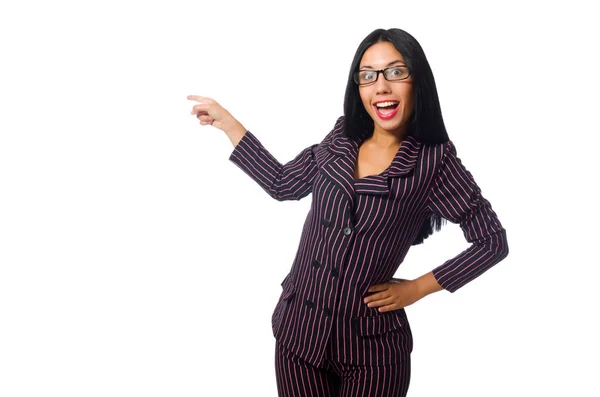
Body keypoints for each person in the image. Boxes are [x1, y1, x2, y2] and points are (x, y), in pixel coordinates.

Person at [187, 28, 508, 397]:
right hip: (299, 334)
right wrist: (228, 123)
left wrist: (418, 288)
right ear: (358, 87)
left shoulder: (435, 162)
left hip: (372, 352)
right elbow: (283, 184)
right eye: (368, 75)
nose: (381, 86)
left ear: (417, 81)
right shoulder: (340, 137)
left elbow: (492, 241)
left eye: (395, 72)